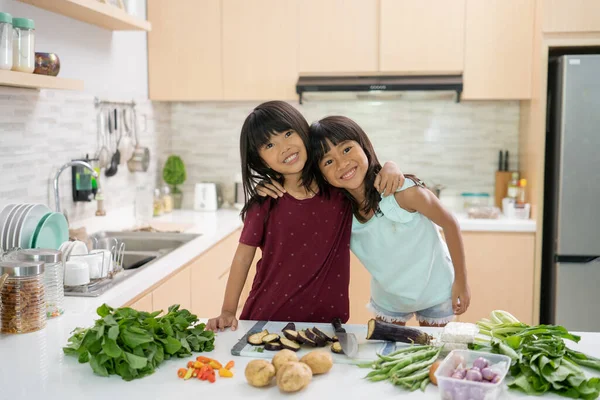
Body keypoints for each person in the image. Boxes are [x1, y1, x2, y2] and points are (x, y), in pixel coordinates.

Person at [206, 101, 404, 331]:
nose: (284, 147)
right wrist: (228, 311)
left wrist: (391, 166)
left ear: (303, 131)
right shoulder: (264, 202)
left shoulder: (338, 188)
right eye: (270, 144)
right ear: (259, 159)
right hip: (267, 321)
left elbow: (366, 172)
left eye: (288, 133)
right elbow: (242, 258)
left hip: (329, 325)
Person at [310, 115, 471, 327]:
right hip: (389, 298)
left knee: (436, 357)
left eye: (347, 149)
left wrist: (462, 281)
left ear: (364, 144)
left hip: (436, 291)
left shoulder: (404, 192)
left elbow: (450, 223)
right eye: (328, 161)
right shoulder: (339, 213)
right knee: (388, 356)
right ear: (321, 175)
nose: (342, 163)